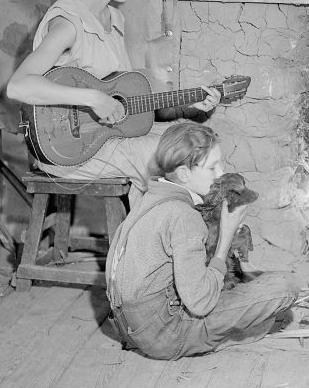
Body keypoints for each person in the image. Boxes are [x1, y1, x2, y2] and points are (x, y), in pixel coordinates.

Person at [6, 0, 220, 209]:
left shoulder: (114, 19)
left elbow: (124, 103)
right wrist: (92, 98)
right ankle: (167, 242)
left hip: (108, 138)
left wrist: (191, 107)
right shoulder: (68, 24)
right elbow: (19, 86)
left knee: (196, 141)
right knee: (175, 161)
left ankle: (155, 239)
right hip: (69, 148)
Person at [105, 122, 298, 359]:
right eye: (213, 167)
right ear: (184, 173)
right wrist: (226, 238)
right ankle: (221, 338)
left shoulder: (149, 198)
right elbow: (201, 304)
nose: (221, 174)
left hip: (129, 327)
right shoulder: (183, 215)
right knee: (285, 287)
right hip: (166, 336)